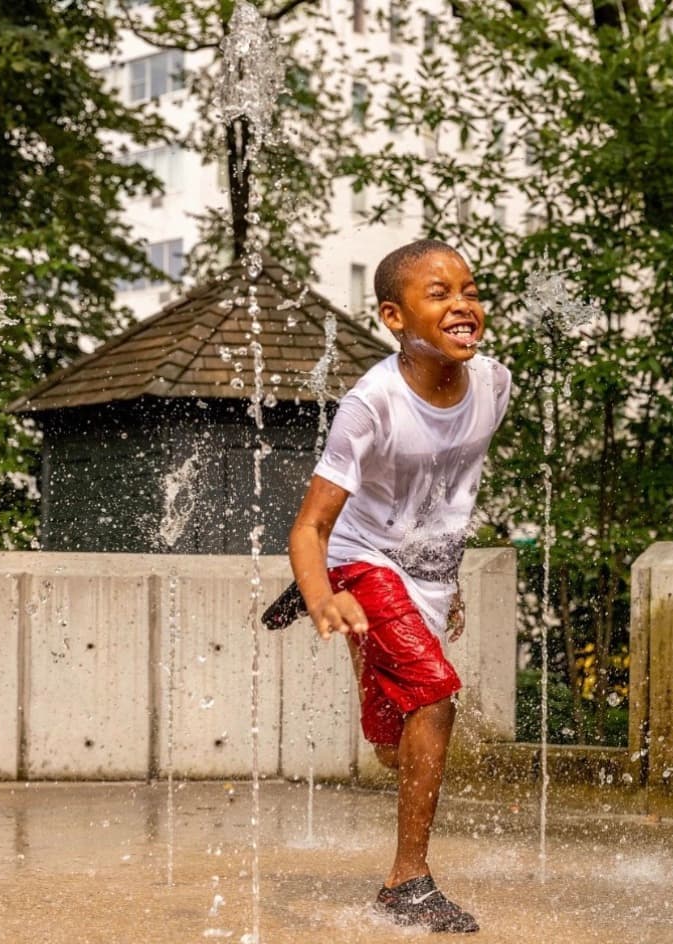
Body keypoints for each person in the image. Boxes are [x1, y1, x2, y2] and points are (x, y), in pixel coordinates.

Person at [288, 239, 511, 933]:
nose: (462, 305)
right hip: (363, 561)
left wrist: (448, 576)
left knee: (394, 745)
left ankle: (370, 635)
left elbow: (445, 487)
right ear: (394, 317)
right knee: (436, 695)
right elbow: (309, 527)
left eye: (469, 290)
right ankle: (407, 883)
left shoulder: (495, 385)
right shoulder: (372, 403)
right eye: (438, 294)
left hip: (428, 575)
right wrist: (322, 593)